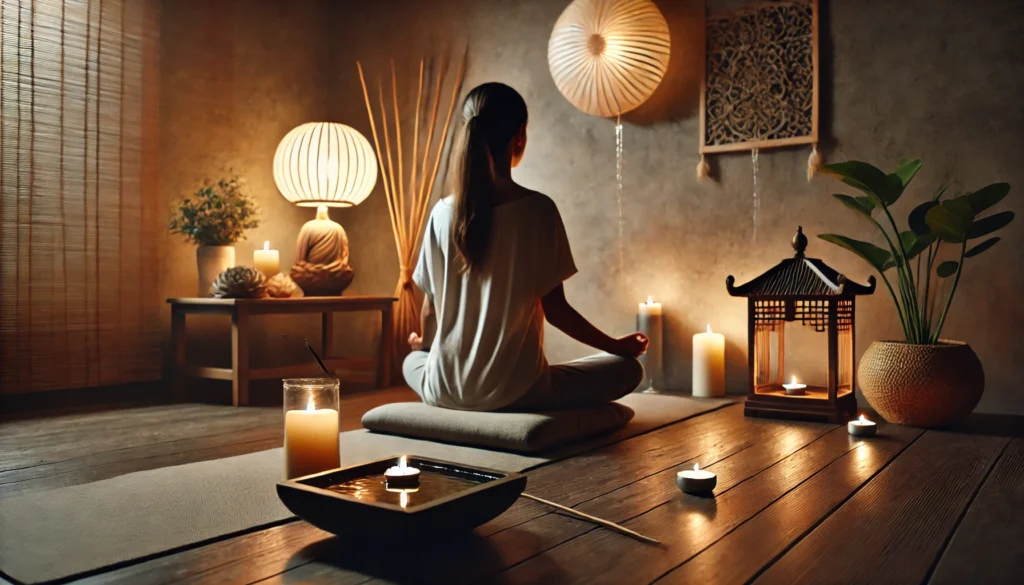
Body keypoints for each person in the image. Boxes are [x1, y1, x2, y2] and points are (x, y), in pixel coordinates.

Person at [404, 82, 649, 412]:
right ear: (519, 135)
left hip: (443, 391)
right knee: (627, 370)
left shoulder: (440, 213)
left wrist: (426, 345)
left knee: (414, 360)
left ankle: (426, 360)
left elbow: (430, 308)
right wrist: (615, 345)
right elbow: (557, 311)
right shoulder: (538, 210)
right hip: (516, 394)